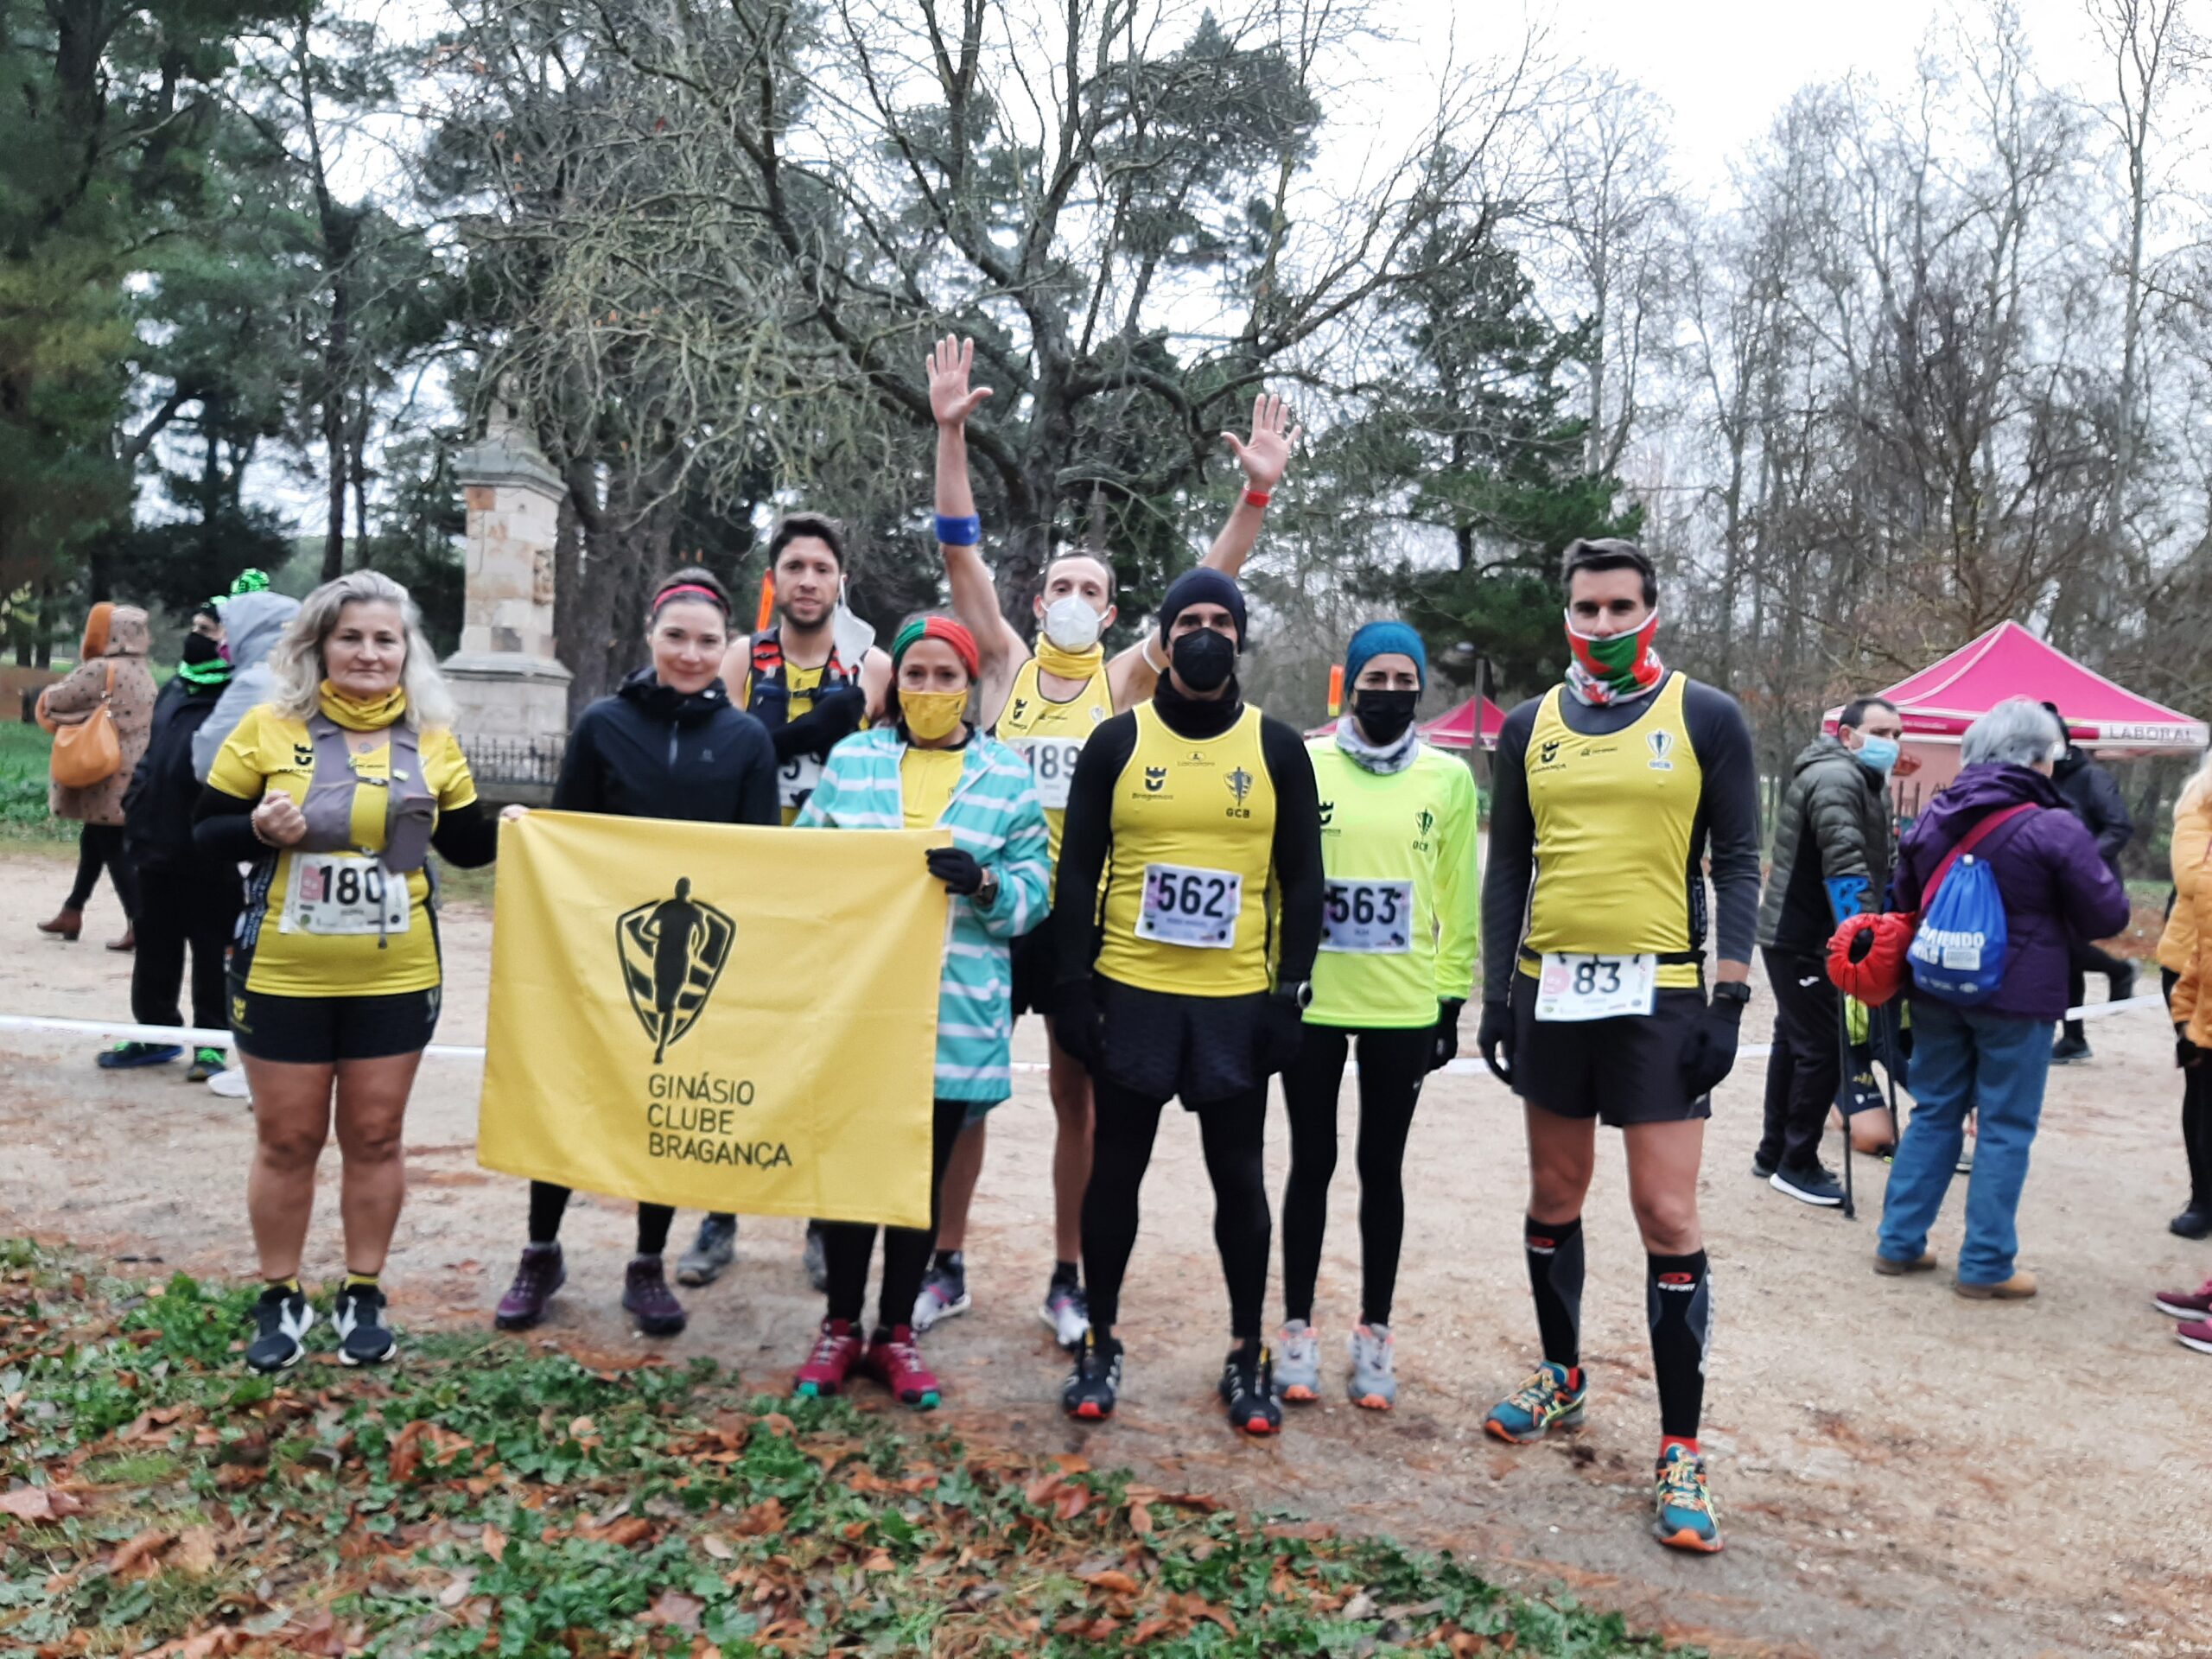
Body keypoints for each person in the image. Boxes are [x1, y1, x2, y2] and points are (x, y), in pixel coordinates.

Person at [914, 334, 1300, 1347]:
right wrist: (949, 430)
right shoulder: (998, 664)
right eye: (1060, 588)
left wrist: (1252, 501)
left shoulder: (1123, 679)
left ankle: (1069, 1274)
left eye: (1094, 591)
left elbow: (1204, 593)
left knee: (1075, 1098)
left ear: (1120, 616)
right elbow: (959, 546)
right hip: (994, 906)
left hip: (1082, 916)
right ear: (1037, 601)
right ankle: (944, 1262)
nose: (1075, 601)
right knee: (961, 1095)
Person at [1474, 537, 1759, 1555]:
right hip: (1550, 988)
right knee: (1555, 1197)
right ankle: (1561, 1378)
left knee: (1664, 1209)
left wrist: (1728, 1000)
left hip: (1662, 995)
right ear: (1566, 614)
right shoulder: (1526, 727)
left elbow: (1738, 861)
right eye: (1585, 609)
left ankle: (1680, 1447)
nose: (1600, 625)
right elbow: (1508, 866)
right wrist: (1493, 995)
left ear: (1652, 610)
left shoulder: (1706, 717)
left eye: (1619, 607)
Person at [194, 571, 499, 1372]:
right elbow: (204, 832)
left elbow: (470, 847)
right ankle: (280, 1293)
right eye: (351, 637)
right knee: (287, 1138)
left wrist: (534, 821)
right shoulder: (268, 727)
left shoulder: (433, 738)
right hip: (283, 971)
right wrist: (259, 825)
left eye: (384, 639)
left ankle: (363, 1289)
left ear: (407, 652)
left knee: (375, 1134)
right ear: (319, 646)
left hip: (395, 974)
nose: (368, 653)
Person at [1050, 569, 1324, 1436]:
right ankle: (1100, 1336)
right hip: (1131, 994)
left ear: (1239, 637)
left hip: (1233, 1002)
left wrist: (1290, 995)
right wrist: (1070, 989)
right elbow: (1078, 873)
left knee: (1238, 1179)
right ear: (1163, 639)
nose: (1205, 633)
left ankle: (1248, 1351)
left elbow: (1302, 882)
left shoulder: (1278, 748)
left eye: (1221, 620)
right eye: (1189, 621)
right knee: (1116, 1173)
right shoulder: (1114, 742)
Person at [494, 570, 779, 1338]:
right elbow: (568, 838)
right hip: (597, 953)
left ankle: (648, 1262)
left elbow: (764, 860)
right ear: (651, 638)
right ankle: (541, 1250)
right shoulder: (602, 724)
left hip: (689, 962)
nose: (691, 654)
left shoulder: (747, 739)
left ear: (729, 651)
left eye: (708, 642)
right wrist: (531, 834)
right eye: (676, 637)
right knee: (569, 1095)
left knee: (667, 1098)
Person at [787, 613, 1049, 1408]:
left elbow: (1038, 893)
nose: (930, 689)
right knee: (848, 1171)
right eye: (916, 675)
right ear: (894, 683)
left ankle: (895, 1331)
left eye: (946, 676)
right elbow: (803, 863)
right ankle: (838, 1326)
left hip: (953, 1009)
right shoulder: (853, 760)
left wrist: (987, 884)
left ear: (971, 687)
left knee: (918, 1178)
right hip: (860, 1006)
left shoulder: (1006, 776)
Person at [683, 515, 894, 1293]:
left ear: (841, 582)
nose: (808, 580)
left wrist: (797, 733)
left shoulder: (870, 667)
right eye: (794, 567)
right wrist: (807, 729)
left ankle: (818, 1220)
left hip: (831, 891)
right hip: (751, 880)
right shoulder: (742, 657)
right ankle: (718, 1213)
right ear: (777, 579)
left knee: (820, 1058)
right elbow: (722, 756)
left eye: (821, 568)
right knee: (731, 1055)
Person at [1274, 620, 1477, 1411]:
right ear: (1348, 684)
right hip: (1315, 1001)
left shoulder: (1448, 779)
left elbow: (1458, 896)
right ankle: (1295, 1329)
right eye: (1375, 680)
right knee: (1311, 1164)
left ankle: (1375, 1335)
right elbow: (1278, 876)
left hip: (1402, 1002)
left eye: (1404, 681)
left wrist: (1452, 996)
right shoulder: (1305, 760)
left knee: (1380, 1169)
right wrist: (1275, 981)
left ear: (1420, 688)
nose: (1389, 693)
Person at [1872, 700, 2128, 1300]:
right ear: (2039, 758)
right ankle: (1986, 1263)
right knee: (2005, 1126)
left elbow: (1904, 898)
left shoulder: (1935, 815)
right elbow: (2107, 914)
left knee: (1934, 1111)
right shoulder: (2054, 825)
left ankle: (1899, 1241)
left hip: (1936, 986)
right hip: (2019, 997)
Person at [1751, 696, 1904, 1205]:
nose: (1891, 743)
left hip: (1808, 935)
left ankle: (1774, 1152)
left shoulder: (1862, 781)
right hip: (1805, 937)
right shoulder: (1837, 779)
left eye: (1898, 734)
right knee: (1821, 1049)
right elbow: (1846, 863)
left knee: (1794, 1043)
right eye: (1881, 732)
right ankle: (1796, 1161)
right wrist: (1862, 933)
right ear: (1847, 735)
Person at [100, 618, 244, 1077]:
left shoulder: (243, 692)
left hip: (208, 843)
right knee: (155, 942)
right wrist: (136, 798)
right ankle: (156, 1033)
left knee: (210, 946)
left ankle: (211, 1044)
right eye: (198, 624)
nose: (199, 633)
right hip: (155, 837)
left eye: (213, 627)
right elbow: (154, 748)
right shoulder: (176, 685)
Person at [190, 584, 305, 1105]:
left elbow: (206, 757)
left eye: (224, 632)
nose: (219, 644)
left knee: (255, 949)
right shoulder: (299, 679)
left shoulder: (257, 682)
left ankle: (259, 1067)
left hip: (262, 827)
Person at [35, 603, 155, 950]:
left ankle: (139, 922)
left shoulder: (101, 668)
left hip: (102, 768)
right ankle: (72, 909)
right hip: (132, 767)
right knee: (96, 839)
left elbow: (58, 698)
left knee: (113, 848)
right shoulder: (142, 671)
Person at [2044, 702, 2135, 1064]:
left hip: (2090, 878)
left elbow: (2119, 826)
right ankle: (2074, 1037)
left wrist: (2083, 858)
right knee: (2065, 958)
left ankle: (2120, 969)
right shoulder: (2042, 778)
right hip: (2053, 880)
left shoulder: (2092, 778)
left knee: (2065, 948)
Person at [2157, 749, 2212, 1239]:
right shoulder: (2201, 797)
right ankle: (2203, 1197)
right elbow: (2195, 881)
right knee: (2203, 1086)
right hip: (2193, 959)